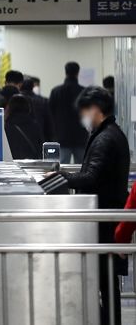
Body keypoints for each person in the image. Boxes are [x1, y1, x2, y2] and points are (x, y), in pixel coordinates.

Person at [56, 87, 129, 325]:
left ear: (96, 109)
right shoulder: (107, 133)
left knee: (105, 282)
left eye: (84, 110)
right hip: (106, 216)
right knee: (106, 284)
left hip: (104, 221)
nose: (82, 117)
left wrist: (59, 178)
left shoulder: (106, 138)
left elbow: (91, 177)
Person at [49, 62, 88, 164]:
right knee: (81, 167)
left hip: (61, 136)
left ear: (65, 72)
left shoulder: (56, 91)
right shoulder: (84, 92)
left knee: (62, 167)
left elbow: (50, 114)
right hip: (81, 136)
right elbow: (88, 114)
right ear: (78, 73)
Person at [4, 95, 44, 160]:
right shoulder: (35, 125)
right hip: (32, 163)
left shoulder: (7, 126)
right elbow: (40, 146)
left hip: (12, 164)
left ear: (10, 108)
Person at [21, 77, 55, 142]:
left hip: (20, 138)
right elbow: (49, 123)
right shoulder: (43, 101)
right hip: (39, 138)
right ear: (33, 87)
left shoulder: (15, 100)